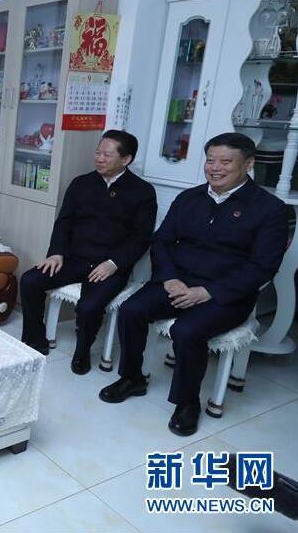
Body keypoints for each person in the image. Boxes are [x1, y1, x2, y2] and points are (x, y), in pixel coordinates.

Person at [100, 133, 289, 437]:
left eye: (225, 161)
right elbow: (161, 241)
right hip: (177, 282)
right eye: (211, 160)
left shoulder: (271, 209)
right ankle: (132, 378)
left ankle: (187, 403)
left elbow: (263, 267)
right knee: (132, 309)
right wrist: (170, 277)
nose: (215, 168)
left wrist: (208, 292)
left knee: (187, 330)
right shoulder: (189, 198)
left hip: (226, 293)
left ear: (249, 164)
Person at [19, 130, 157, 374]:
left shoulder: (142, 191)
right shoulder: (81, 183)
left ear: (126, 159)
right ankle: (34, 340)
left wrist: (114, 263)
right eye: (97, 152)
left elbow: (141, 237)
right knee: (30, 280)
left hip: (110, 266)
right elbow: (64, 222)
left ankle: (82, 351)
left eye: (107, 154)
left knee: (89, 306)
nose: (99, 158)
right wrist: (56, 253)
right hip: (74, 259)